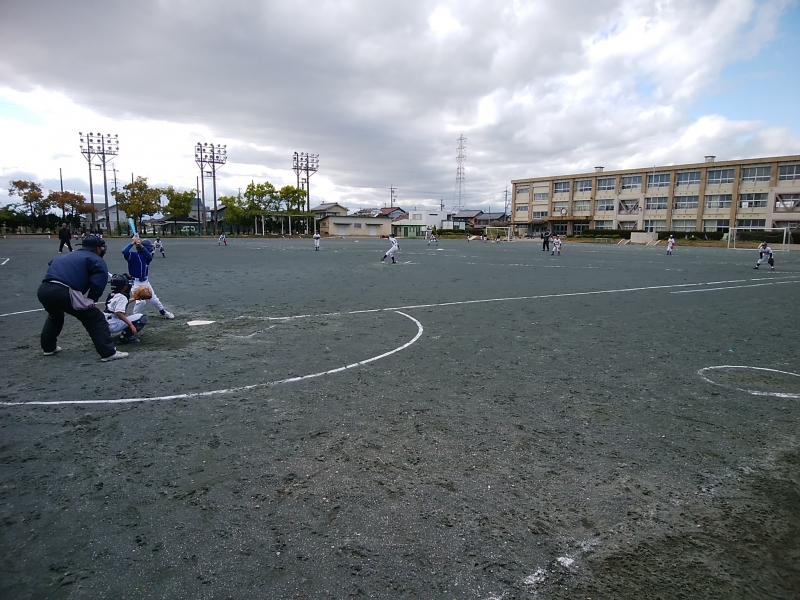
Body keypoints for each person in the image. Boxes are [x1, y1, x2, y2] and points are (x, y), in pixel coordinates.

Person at [37, 234, 127, 361]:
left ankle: (48, 347)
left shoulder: (66, 255)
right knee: (94, 316)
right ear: (97, 249)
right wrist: (91, 301)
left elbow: (52, 264)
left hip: (44, 289)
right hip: (64, 290)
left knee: (55, 315)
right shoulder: (96, 260)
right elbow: (98, 283)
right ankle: (108, 352)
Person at [122, 236, 175, 319]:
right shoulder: (133, 256)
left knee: (154, 299)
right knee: (141, 302)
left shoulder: (147, 257)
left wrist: (141, 245)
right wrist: (133, 243)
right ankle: (135, 317)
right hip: (135, 283)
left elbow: (150, 256)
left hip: (145, 282)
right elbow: (124, 251)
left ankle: (163, 312)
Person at [104, 274, 148, 344]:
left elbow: (120, 304)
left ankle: (105, 335)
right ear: (124, 286)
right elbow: (118, 312)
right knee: (142, 318)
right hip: (113, 325)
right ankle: (125, 337)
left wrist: (135, 298)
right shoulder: (122, 297)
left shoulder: (112, 295)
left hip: (104, 324)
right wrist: (130, 325)